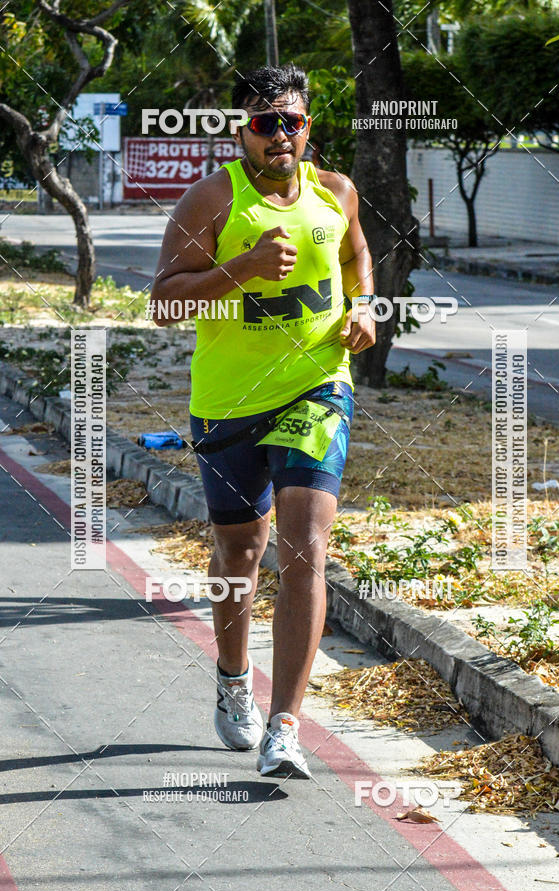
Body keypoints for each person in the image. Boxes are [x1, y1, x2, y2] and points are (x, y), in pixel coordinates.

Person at [151, 63, 375, 779]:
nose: (281, 135)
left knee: (304, 546)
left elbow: (355, 254)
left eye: (294, 121)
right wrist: (241, 267)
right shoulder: (210, 200)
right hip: (227, 403)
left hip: (316, 388)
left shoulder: (337, 191)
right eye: (265, 122)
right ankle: (230, 675)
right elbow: (164, 304)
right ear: (240, 129)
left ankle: (286, 726)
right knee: (239, 556)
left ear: (309, 126)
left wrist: (366, 307)